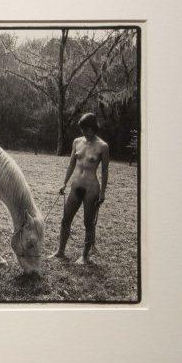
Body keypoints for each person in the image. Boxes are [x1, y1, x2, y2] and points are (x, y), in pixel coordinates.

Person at [56, 112, 111, 264]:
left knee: (88, 223)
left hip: (91, 188)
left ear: (94, 128)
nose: (84, 133)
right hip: (76, 186)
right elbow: (71, 164)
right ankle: (60, 251)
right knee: (65, 219)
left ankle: (85, 256)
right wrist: (64, 183)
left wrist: (103, 192)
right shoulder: (77, 142)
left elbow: (105, 171)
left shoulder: (103, 146)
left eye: (87, 129)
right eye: (82, 130)